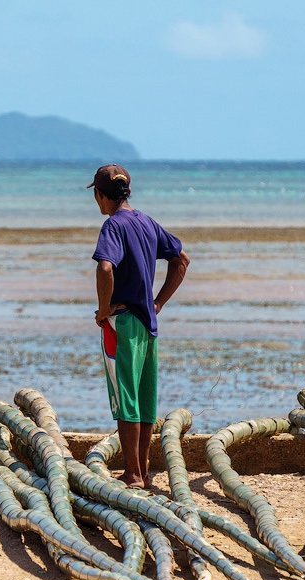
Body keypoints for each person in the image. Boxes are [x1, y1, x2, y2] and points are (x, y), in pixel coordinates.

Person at [90, 164, 190, 489]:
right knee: (146, 398)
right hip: (149, 324)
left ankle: (133, 474)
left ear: (100, 195)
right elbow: (181, 260)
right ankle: (142, 471)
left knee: (125, 397)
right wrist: (157, 303)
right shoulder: (146, 222)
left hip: (123, 324)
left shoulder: (113, 226)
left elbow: (105, 268)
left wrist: (104, 310)